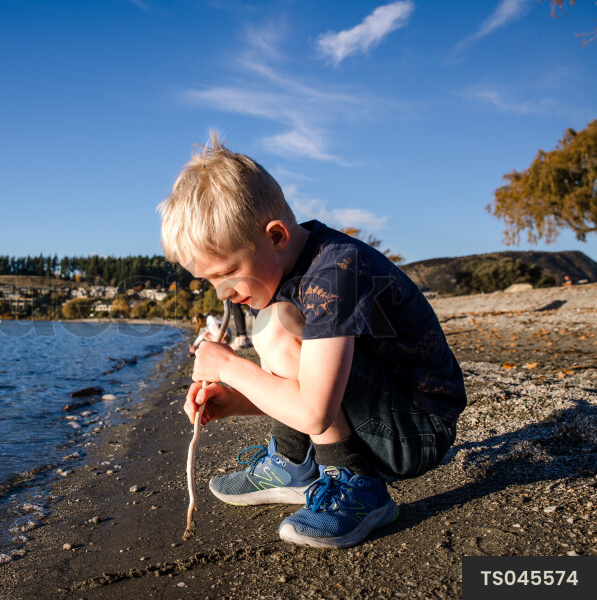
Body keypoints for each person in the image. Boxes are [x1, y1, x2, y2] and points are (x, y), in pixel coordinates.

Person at [158, 133, 465, 549]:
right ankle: (291, 462)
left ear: (277, 236)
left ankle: (358, 487)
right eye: (210, 280)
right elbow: (314, 389)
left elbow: (317, 412)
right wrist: (237, 401)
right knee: (275, 319)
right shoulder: (286, 270)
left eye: (226, 272)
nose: (222, 293)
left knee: (278, 323)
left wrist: (229, 366)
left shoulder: (334, 271)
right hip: (384, 413)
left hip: (417, 430)